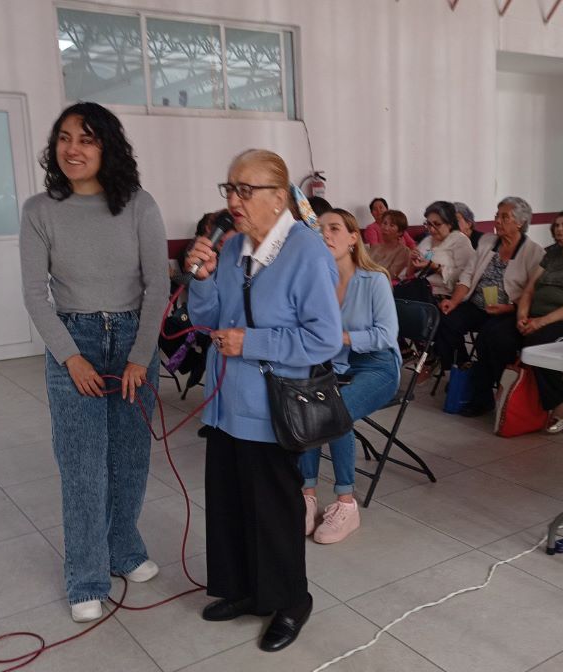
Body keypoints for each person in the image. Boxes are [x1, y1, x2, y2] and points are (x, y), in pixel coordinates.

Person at [186, 149, 342, 652]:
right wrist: (203, 279)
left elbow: (323, 339)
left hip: (271, 408)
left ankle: (291, 600)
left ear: (280, 197)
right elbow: (210, 320)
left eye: (245, 190)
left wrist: (251, 342)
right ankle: (244, 591)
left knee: (272, 511)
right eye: (229, 189)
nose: (234, 199)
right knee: (229, 503)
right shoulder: (231, 249)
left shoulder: (307, 252)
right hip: (226, 402)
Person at [19, 102, 168, 623]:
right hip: (74, 338)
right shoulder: (39, 210)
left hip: (131, 339)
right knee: (83, 469)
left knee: (129, 459)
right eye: (64, 138)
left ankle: (124, 550)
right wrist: (71, 358)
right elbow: (36, 294)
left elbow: (158, 285)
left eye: (86, 139)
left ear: (107, 147)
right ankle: (86, 577)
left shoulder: (138, 205)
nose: (72, 149)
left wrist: (140, 357)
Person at [298, 209, 400, 544]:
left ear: (353, 238)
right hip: (336, 365)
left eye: (335, 228)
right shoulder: (320, 283)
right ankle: (307, 495)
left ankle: (346, 503)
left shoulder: (375, 280)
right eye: (321, 229)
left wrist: (340, 338)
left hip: (377, 365)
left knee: (335, 410)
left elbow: (386, 335)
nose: (326, 234)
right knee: (307, 401)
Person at [461, 204, 563, 423]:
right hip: (535, 318)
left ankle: (559, 401)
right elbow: (530, 289)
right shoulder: (553, 253)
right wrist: (522, 315)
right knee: (492, 334)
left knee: (537, 343)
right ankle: (505, 393)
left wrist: (541, 322)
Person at [434, 197, 544, 374]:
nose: (497, 221)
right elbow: (468, 275)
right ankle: (461, 369)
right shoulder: (487, 241)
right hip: (477, 305)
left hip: (507, 311)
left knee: (490, 337)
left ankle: (490, 380)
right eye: (497, 215)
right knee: (445, 318)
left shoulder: (534, 252)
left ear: (520, 222)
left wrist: (509, 308)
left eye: (504, 217)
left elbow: (534, 292)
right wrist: (453, 301)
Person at [407, 201, 475, 301]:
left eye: (437, 224)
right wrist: (412, 261)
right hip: (419, 291)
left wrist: (436, 267)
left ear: (450, 224)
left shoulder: (460, 240)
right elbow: (409, 274)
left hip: (442, 298)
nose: (432, 230)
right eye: (428, 224)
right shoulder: (428, 240)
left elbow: (465, 276)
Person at [368, 209, 412, 284]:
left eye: (392, 225)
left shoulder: (403, 251)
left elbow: (391, 274)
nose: (385, 228)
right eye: (384, 223)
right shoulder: (375, 247)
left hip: (384, 286)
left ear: (400, 232)